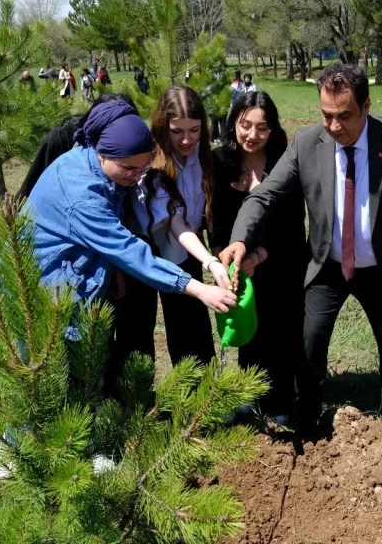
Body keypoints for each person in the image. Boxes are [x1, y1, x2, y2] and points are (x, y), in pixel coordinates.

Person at [219, 63, 382, 431]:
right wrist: (240, 239)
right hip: (327, 265)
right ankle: (306, 410)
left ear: (366, 106)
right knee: (309, 341)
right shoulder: (307, 143)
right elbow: (265, 196)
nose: (335, 126)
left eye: (345, 116)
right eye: (327, 115)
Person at [26, 100, 236, 338]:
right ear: (103, 153)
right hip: (49, 301)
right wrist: (200, 290)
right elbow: (129, 251)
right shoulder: (83, 197)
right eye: (128, 168)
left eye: (142, 168)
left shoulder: (88, 159)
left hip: (73, 282)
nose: (135, 176)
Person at [211, 91, 306, 423]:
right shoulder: (220, 163)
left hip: (282, 261)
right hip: (238, 265)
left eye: (262, 128)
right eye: (245, 125)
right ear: (233, 123)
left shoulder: (286, 162)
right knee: (248, 330)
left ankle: (281, 400)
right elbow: (215, 221)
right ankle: (250, 396)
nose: (253, 135)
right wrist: (226, 256)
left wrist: (260, 255)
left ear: (273, 129)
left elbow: (294, 225)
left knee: (282, 329)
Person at [142, 86, 228, 367]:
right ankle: (183, 394)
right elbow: (174, 221)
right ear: (162, 127)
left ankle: (207, 388)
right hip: (157, 250)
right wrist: (210, 261)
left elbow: (206, 210)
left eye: (194, 130)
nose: (186, 139)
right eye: (177, 131)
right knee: (170, 324)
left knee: (196, 320)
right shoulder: (155, 165)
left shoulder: (202, 158)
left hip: (191, 247)